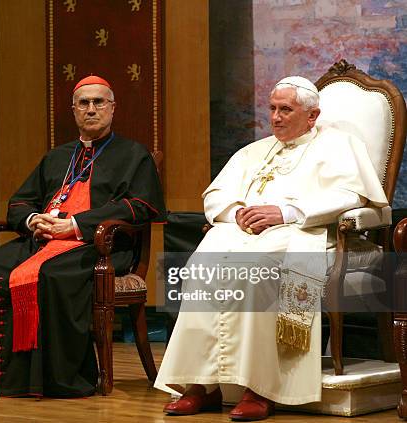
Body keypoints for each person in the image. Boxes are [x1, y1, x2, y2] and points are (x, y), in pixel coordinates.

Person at [155, 76, 388, 420]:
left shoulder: (340, 146)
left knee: (258, 270)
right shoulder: (255, 151)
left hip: (303, 233)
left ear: (311, 116)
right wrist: (238, 213)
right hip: (243, 233)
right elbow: (216, 195)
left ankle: (260, 387)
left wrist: (287, 212)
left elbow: (350, 196)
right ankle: (200, 385)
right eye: (273, 108)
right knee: (201, 265)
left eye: (286, 110)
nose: (276, 117)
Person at [0, 75, 165, 397]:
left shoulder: (134, 155)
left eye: (98, 102)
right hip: (42, 242)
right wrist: (34, 220)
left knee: (51, 276)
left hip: (99, 246)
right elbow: (20, 201)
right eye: (83, 103)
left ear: (113, 108)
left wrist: (76, 225)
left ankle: (50, 380)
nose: (91, 109)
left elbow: (141, 206)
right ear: (73, 110)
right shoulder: (57, 157)